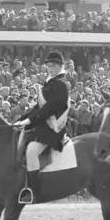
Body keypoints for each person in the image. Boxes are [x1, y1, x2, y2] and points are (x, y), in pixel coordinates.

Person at [17, 50, 71, 204]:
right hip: (43, 125)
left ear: (60, 66)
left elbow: (51, 108)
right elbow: (38, 107)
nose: (50, 68)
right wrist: (21, 120)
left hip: (53, 129)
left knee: (32, 151)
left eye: (53, 65)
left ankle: (34, 192)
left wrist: (31, 120)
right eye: (48, 65)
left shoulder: (62, 84)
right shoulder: (51, 83)